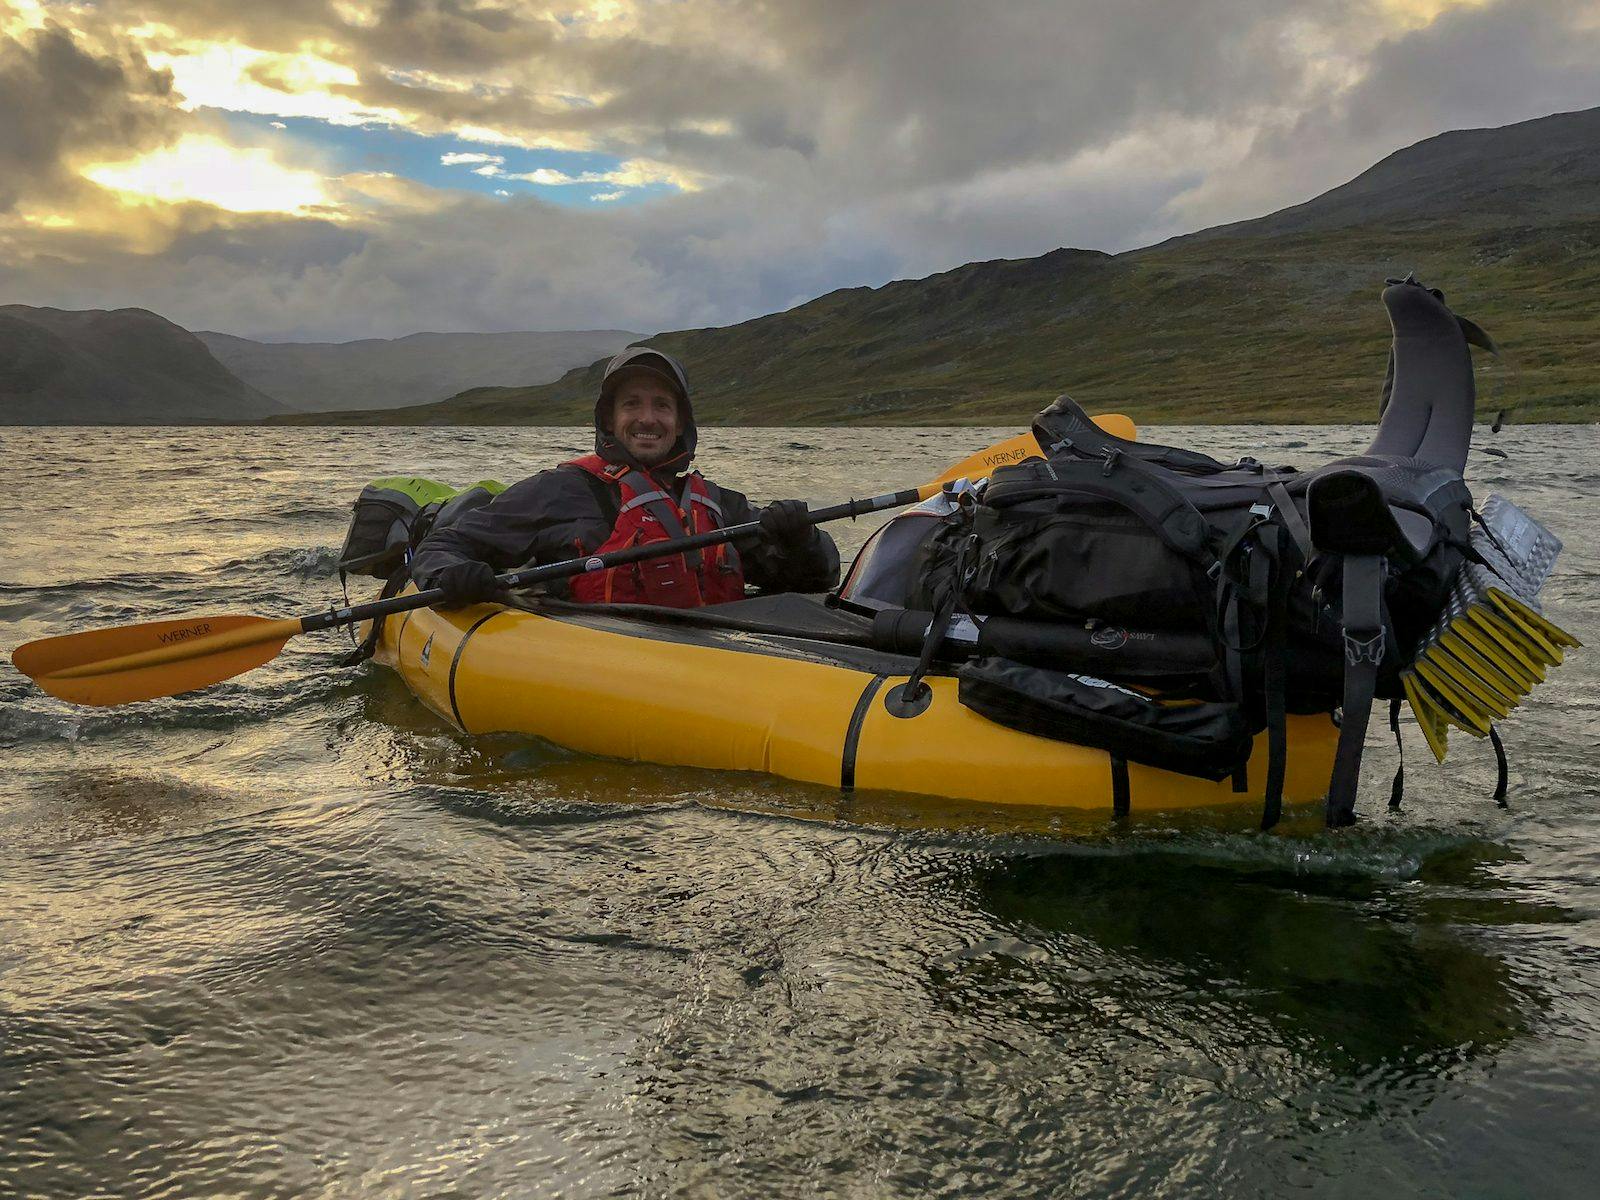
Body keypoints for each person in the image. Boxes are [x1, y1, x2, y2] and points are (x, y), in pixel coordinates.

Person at [410, 346, 839, 607]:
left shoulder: (719, 504)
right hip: (600, 668)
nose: (647, 419)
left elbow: (814, 580)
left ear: (680, 421)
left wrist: (803, 541)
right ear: (610, 421)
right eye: (632, 404)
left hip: (711, 670)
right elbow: (444, 545)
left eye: (662, 406)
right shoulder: (559, 491)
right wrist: (451, 575)